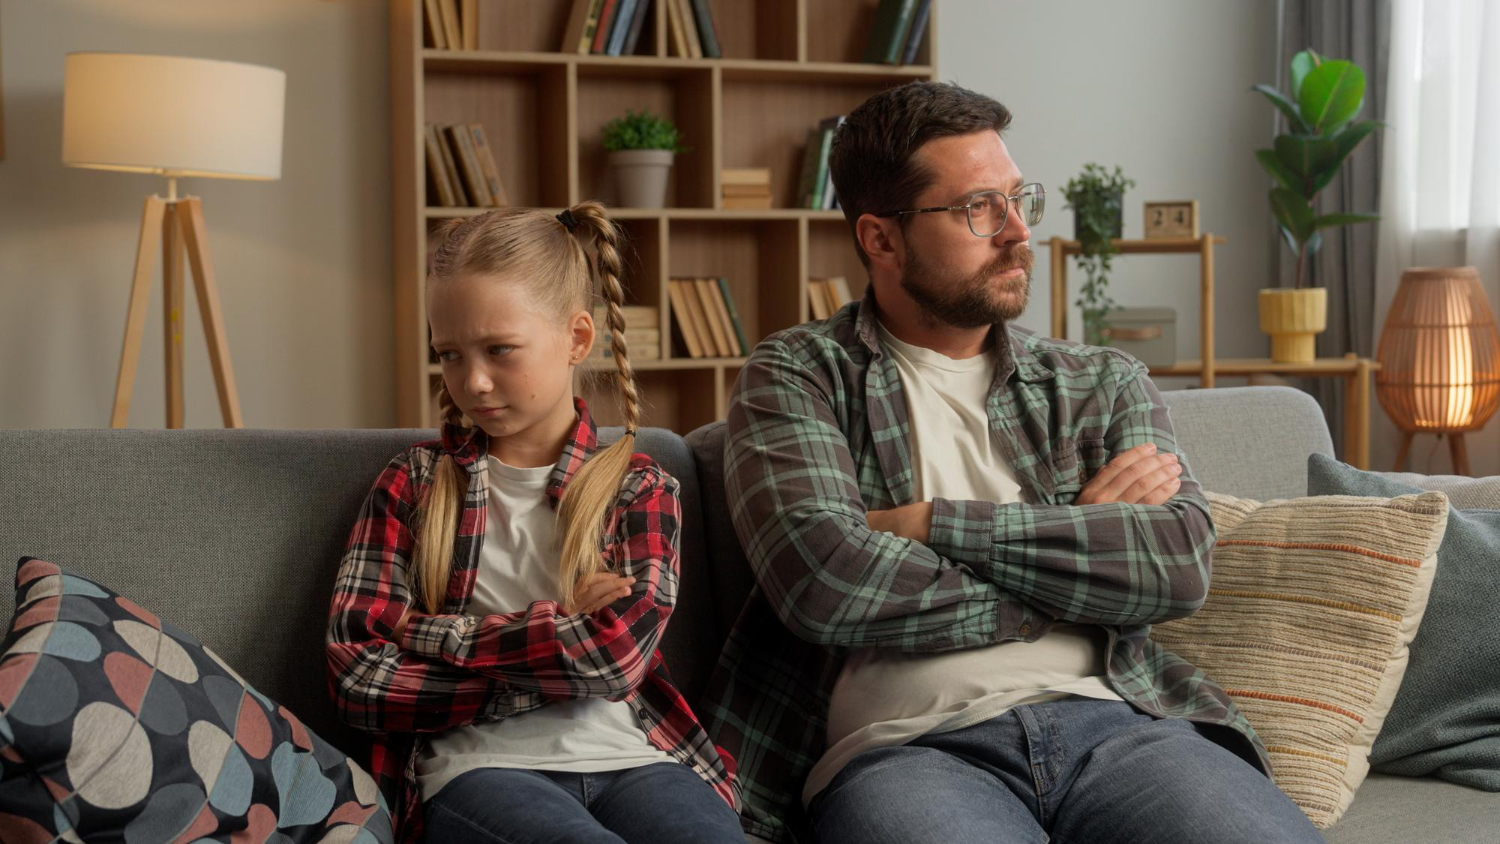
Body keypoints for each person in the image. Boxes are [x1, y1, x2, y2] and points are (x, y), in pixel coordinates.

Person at [702, 81, 1323, 844]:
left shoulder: (1100, 381)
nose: (1018, 232)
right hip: (908, 752)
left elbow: (1178, 564)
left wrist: (928, 524)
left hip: (1123, 728)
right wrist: (1075, 547)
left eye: (1018, 198)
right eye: (978, 209)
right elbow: (825, 582)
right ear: (881, 239)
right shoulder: (799, 374)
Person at [326, 202, 742, 844]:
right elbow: (359, 679)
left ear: (577, 338)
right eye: (451, 355)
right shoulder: (412, 484)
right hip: (478, 769)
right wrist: (559, 632)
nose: (475, 381)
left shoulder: (639, 488)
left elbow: (611, 663)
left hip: (636, 759)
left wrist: (430, 633)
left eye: (500, 350)